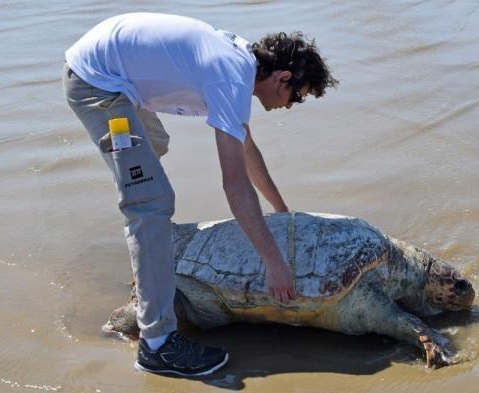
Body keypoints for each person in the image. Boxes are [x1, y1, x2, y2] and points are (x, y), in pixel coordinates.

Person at [62, 12, 338, 377]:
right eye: (295, 98)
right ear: (283, 78)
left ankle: (149, 257)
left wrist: (281, 210)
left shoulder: (238, 67)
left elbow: (246, 152)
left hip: (116, 77)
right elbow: (235, 183)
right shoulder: (231, 76)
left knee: (154, 147)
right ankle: (157, 345)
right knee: (152, 203)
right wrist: (274, 262)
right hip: (96, 83)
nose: (289, 106)